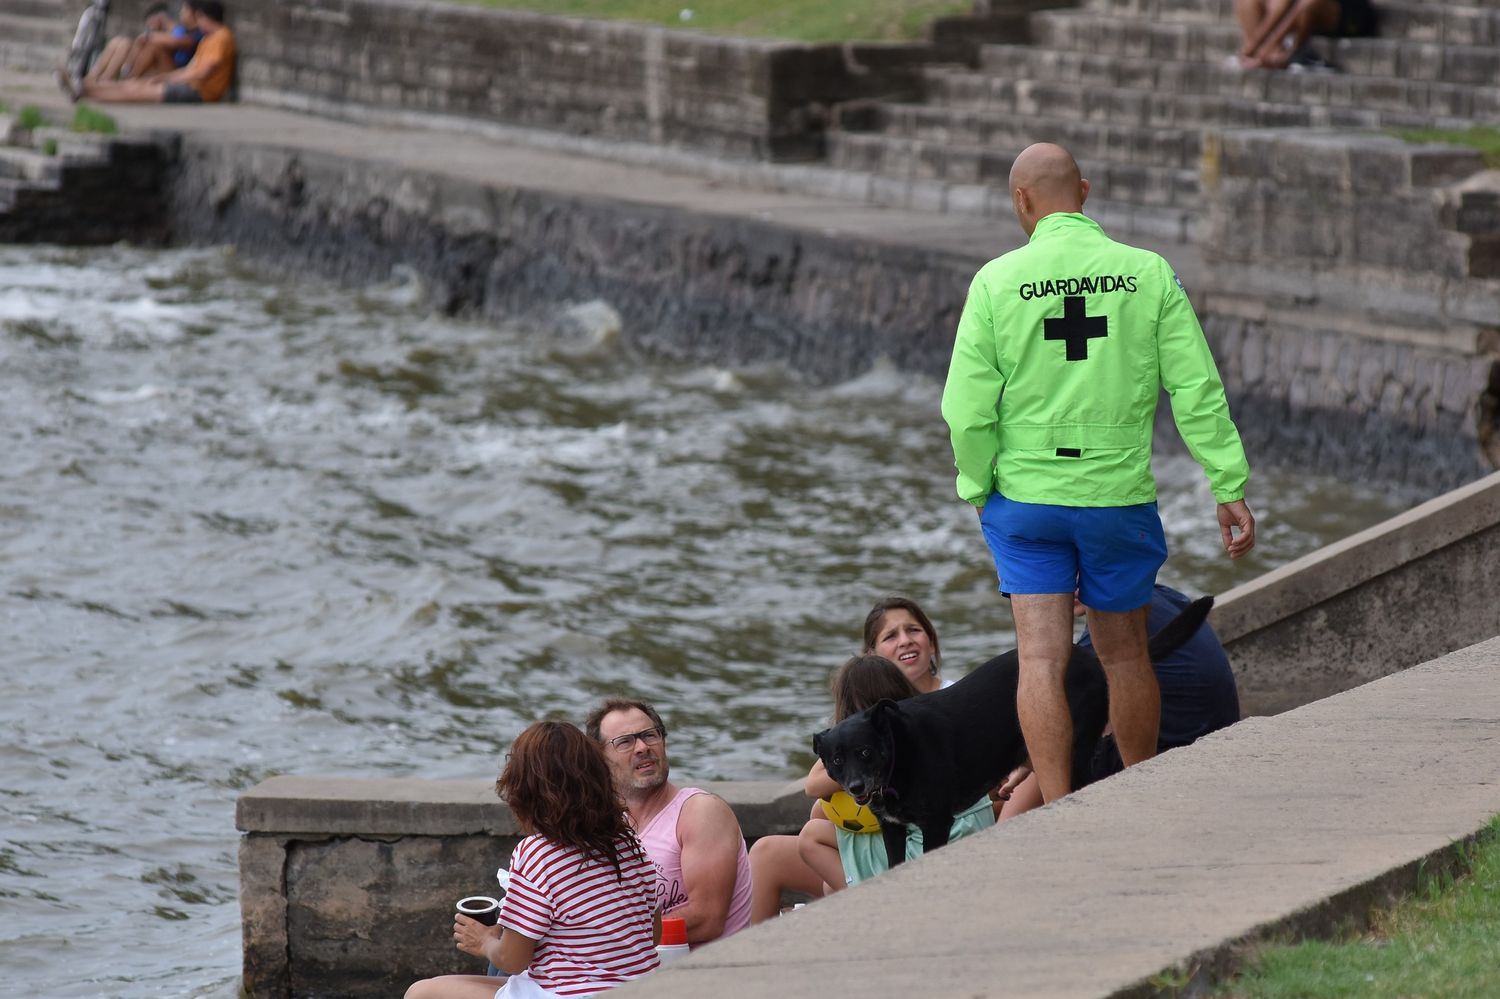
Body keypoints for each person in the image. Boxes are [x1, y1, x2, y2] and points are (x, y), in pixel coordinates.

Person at [940, 142, 1255, 806]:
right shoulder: (1147, 273)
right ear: (1083, 192)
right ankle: (1138, 796)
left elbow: (966, 410)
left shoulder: (996, 282)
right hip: (1116, 498)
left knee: (1040, 659)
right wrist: (1227, 483)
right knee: (1125, 654)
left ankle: (1058, 808)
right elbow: (1195, 388)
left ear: (1021, 200)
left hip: (1025, 501)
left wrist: (977, 486)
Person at [405, 721, 660, 999]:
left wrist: (485, 941)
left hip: (569, 994)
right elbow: (652, 934)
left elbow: (513, 961)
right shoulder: (628, 843)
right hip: (639, 990)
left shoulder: (538, 854)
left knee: (422, 992)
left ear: (525, 788)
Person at [796, 655, 994, 892]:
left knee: (811, 836)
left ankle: (875, 897)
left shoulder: (893, 744)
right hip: (962, 830)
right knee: (820, 819)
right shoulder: (926, 722)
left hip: (940, 843)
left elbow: (812, 785)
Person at [585, 699, 753, 946]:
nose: (642, 747)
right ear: (600, 758)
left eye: (649, 735)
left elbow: (707, 919)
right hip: (634, 962)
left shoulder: (701, 812)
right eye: (625, 742)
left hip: (700, 966)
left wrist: (610, 941)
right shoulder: (609, 825)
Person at [60, 1, 234, 105]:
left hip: (199, 93)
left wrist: (166, 78)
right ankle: (84, 88)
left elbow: (202, 72)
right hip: (191, 86)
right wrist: (166, 77)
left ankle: (84, 91)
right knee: (136, 86)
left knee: (137, 92)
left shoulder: (222, 37)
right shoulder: (210, 38)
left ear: (205, 17)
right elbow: (194, 69)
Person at [1234, 0, 1378, 70]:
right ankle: (1259, 53)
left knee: (1307, 3)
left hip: (1352, 16)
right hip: (1310, 13)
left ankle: (1282, 54)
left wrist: (1266, 45)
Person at [85, 3, 202, 84]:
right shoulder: (183, 30)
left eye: (185, 10)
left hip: (174, 71)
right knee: (118, 42)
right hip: (159, 66)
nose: (181, 13)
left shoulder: (196, 33)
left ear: (194, 14)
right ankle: (93, 77)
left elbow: (178, 41)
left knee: (149, 46)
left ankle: (117, 80)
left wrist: (150, 35)